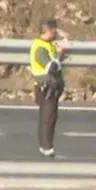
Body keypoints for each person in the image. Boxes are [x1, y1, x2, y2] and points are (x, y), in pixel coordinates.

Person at [28, 18, 67, 158]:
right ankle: (46, 147)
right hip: (45, 87)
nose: (55, 33)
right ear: (49, 30)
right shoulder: (40, 47)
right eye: (54, 30)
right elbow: (50, 67)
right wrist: (60, 56)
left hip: (50, 87)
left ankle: (45, 145)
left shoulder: (48, 45)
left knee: (49, 117)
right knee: (48, 118)